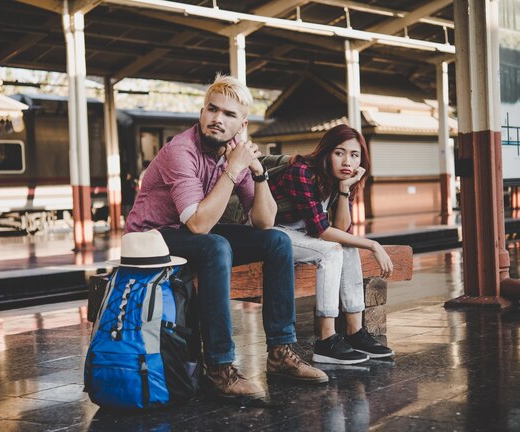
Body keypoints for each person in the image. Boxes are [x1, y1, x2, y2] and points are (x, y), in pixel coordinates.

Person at [125, 73, 328, 399]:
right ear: (202, 113)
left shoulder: (235, 153)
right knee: (214, 245)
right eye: (212, 109)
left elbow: (265, 222)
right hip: (150, 238)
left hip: (188, 231)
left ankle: (280, 354)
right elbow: (198, 226)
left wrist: (258, 173)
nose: (217, 119)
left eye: (229, 114)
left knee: (278, 241)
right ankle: (220, 369)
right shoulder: (181, 150)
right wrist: (233, 170)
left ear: (242, 124)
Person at [269, 124, 394, 365]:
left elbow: (342, 229)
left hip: (301, 234)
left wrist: (345, 190)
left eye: (354, 155)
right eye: (339, 152)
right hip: (273, 233)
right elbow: (322, 231)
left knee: (347, 247)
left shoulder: (342, 179)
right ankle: (326, 340)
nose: (347, 161)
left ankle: (355, 332)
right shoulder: (302, 171)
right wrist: (373, 245)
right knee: (331, 251)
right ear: (326, 153)